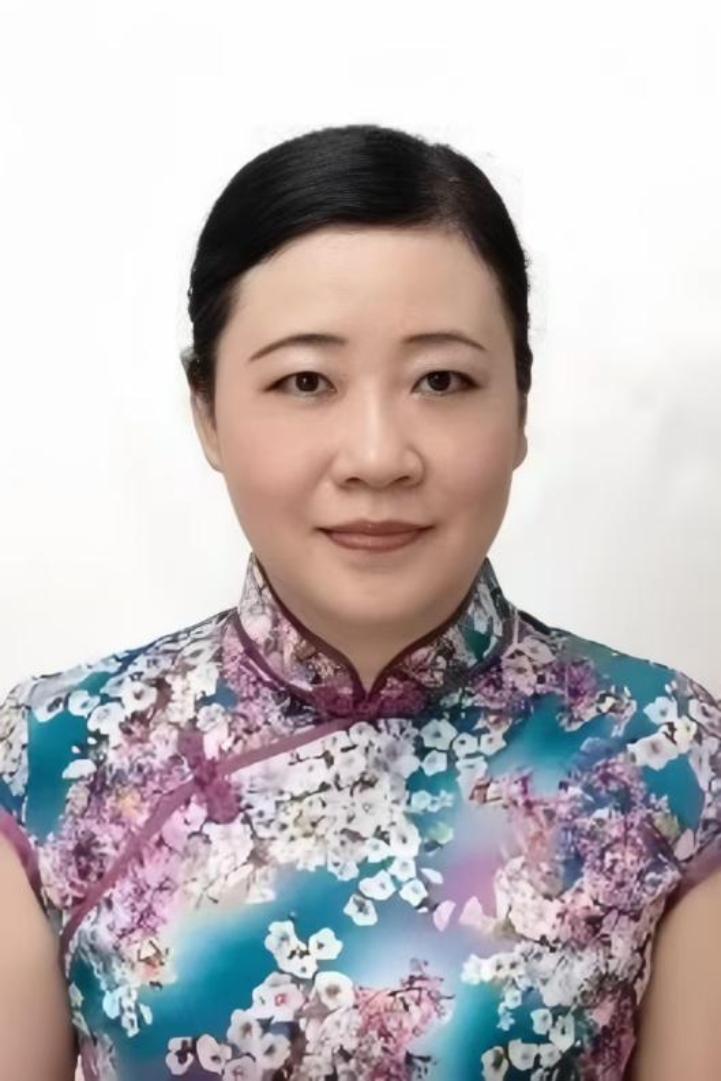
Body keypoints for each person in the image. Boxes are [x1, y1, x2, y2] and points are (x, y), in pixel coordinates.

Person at [0, 123, 719, 1081]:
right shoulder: (56, 755)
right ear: (206, 410)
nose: (378, 456)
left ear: (520, 404)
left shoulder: (663, 753)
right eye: (305, 381)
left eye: (442, 380)